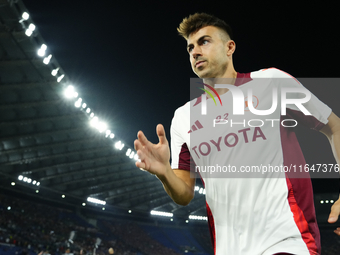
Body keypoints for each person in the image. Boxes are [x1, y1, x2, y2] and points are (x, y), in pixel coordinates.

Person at [134, 13, 340, 255]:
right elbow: (184, 194)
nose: (195, 51)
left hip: (287, 239)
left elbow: (334, 126)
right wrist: (165, 173)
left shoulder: (271, 82)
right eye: (190, 47)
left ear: (230, 47)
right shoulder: (183, 117)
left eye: (204, 42)